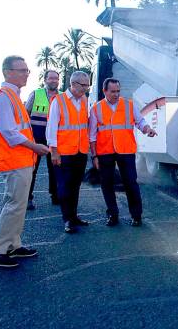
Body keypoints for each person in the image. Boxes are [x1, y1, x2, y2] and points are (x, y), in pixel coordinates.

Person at [0, 55, 49, 268]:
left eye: (27, 70)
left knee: (18, 205)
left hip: (21, 159)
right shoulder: (3, 97)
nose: (26, 74)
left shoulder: (14, 96)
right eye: (22, 70)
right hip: (14, 160)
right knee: (14, 205)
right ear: (7, 72)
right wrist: (36, 147)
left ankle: (13, 244)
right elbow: (10, 134)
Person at [89, 78, 157, 227]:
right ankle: (113, 215)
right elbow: (92, 135)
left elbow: (140, 122)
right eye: (112, 91)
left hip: (126, 150)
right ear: (104, 91)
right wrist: (94, 156)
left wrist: (148, 130)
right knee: (107, 184)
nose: (116, 94)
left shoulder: (129, 105)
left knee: (131, 183)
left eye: (118, 91)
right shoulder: (96, 108)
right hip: (104, 151)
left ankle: (136, 215)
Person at [47, 71, 91, 234]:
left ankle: (74, 216)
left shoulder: (84, 100)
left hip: (80, 151)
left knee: (76, 186)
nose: (86, 89)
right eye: (83, 85)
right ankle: (67, 220)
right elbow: (51, 128)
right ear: (73, 84)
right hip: (64, 152)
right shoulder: (58, 101)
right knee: (65, 187)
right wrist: (54, 152)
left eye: (87, 85)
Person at [24, 69, 61, 210]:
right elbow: (25, 115)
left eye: (56, 79)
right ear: (45, 80)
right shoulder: (36, 94)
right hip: (36, 139)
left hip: (54, 140)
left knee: (55, 168)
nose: (53, 81)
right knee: (32, 169)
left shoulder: (62, 97)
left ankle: (56, 195)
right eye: (51, 78)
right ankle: (28, 198)